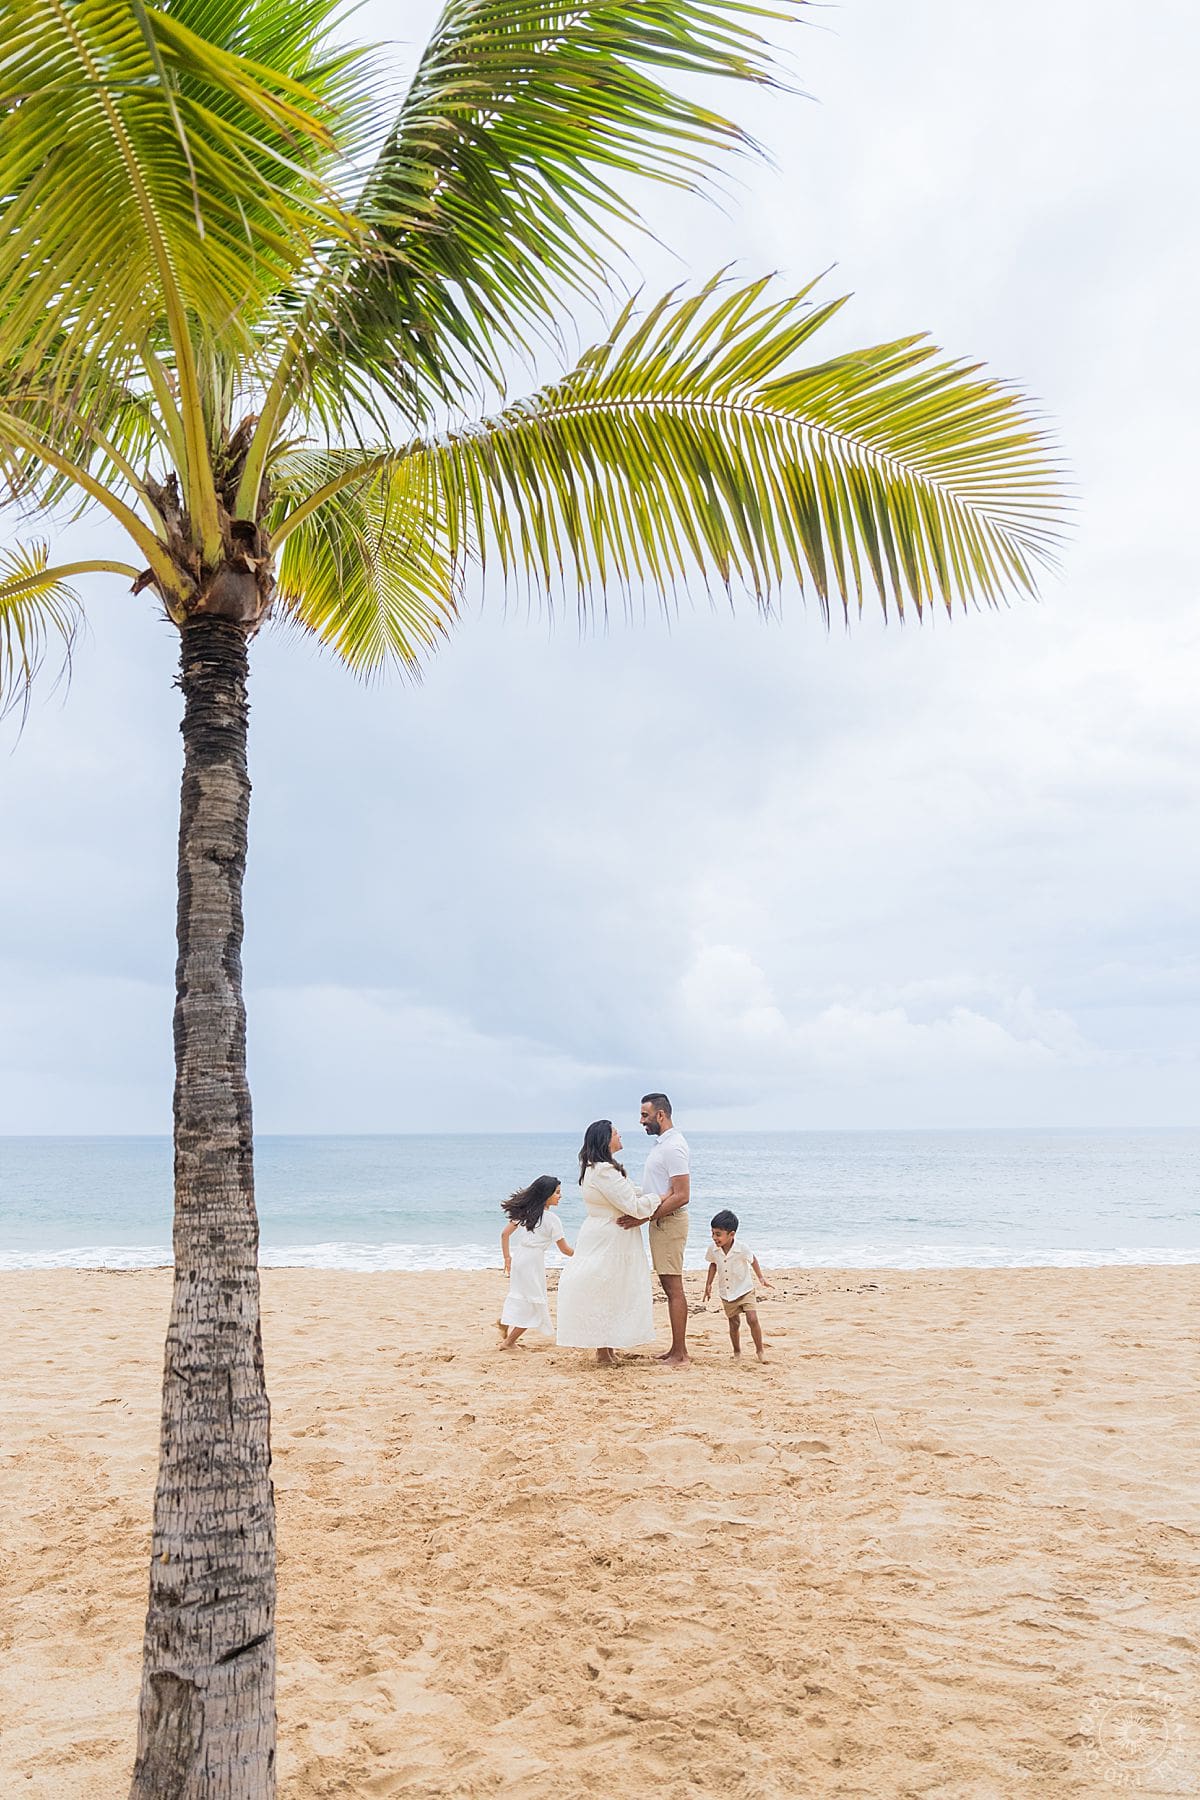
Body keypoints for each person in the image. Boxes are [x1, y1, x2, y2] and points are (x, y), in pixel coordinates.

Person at [556, 1121, 659, 1364]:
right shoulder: (603, 1171)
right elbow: (632, 1205)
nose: (619, 1134)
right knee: (607, 1289)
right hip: (610, 1237)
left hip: (608, 1235)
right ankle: (603, 1350)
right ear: (605, 1139)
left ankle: (608, 1348)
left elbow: (631, 1192)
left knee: (613, 1289)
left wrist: (646, 1195)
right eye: (615, 1132)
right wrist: (659, 1198)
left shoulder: (599, 1169)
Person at [622, 1092, 692, 1365]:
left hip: (669, 1222)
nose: (641, 1121)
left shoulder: (674, 1147)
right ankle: (676, 1349)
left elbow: (682, 1194)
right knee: (667, 1284)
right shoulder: (663, 1144)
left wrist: (645, 1218)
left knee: (673, 1287)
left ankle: (680, 1353)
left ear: (660, 1115)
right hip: (661, 1221)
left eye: (644, 1115)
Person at [497, 1176, 572, 1349]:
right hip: (532, 1262)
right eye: (557, 1193)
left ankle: (505, 1323)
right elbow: (565, 1250)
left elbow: (504, 1234)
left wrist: (507, 1258)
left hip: (520, 1259)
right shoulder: (552, 1220)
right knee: (533, 1303)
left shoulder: (526, 1212)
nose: (560, 1196)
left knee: (521, 1295)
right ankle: (509, 1342)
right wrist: (583, 1255)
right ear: (546, 1195)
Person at [703, 1208, 771, 1362]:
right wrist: (708, 1285)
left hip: (745, 1289)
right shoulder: (713, 1249)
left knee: (752, 1319)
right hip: (727, 1292)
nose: (714, 1237)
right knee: (734, 1323)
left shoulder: (741, 1248)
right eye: (712, 1233)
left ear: (731, 1234)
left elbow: (753, 1260)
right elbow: (713, 1265)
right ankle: (737, 1352)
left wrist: (761, 1278)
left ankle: (760, 1351)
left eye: (718, 1234)